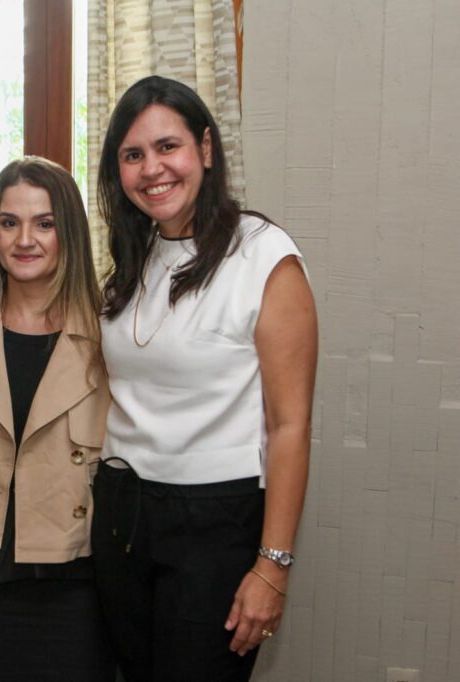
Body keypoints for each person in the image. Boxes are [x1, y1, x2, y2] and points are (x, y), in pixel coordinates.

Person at [91, 75, 318, 681]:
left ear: (207, 150)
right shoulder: (131, 259)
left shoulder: (265, 256)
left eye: (168, 147)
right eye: (133, 155)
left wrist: (272, 565)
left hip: (215, 524)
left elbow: (291, 425)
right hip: (121, 513)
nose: (152, 169)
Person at [0, 157, 116, 681]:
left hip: (76, 570)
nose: (24, 239)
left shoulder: (111, 330)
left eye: (45, 223)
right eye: (10, 222)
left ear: (70, 232)